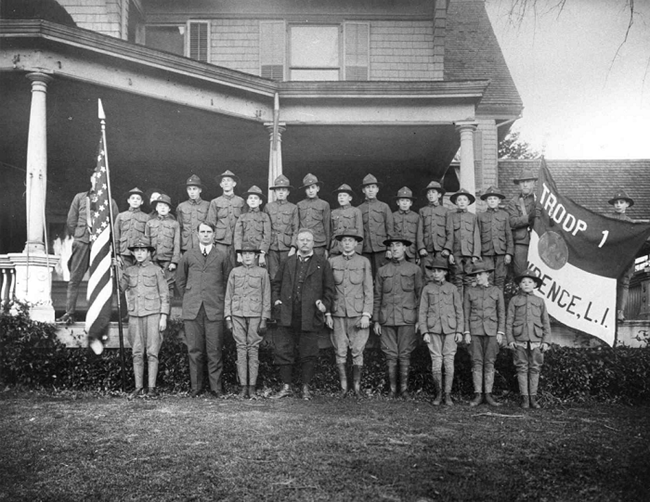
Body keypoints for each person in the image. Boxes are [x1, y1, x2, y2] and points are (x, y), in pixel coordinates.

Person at [271, 228, 335, 400]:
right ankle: (286, 387)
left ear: (313, 243)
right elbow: (276, 284)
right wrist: (277, 301)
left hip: (310, 314)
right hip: (287, 314)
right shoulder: (288, 262)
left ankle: (306, 388)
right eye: (301, 240)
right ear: (297, 242)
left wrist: (324, 304)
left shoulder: (322, 264)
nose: (305, 243)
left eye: (308, 240)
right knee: (284, 350)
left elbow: (329, 290)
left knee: (308, 352)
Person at [175, 222, 230, 398]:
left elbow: (227, 281)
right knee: (194, 350)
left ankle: (216, 388)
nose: (206, 235)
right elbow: (180, 281)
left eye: (209, 232)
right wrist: (191, 296)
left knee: (214, 350)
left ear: (214, 235)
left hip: (214, 308)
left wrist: (217, 299)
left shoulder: (221, 256)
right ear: (197, 234)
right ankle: (196, 387)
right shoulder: (188, 256)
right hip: (193, 309)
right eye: (202, 232)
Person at [57, 171, 118, 324]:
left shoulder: (109, 201)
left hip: (101, 245)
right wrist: (80, 236)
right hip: (83, 242)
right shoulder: (80, 197)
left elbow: (115, 224)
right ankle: (69, 313)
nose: (97, 181)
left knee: (100, 280)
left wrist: (105, 241)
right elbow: (71, 221)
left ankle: (99, 315)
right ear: (90, 180)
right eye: (94, 178)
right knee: (74, 279)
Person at [373, 234, 423, 398]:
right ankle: (392, 390)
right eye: (392, 245)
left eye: (398, 245)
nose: (394, 248)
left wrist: (419, 320)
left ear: (405, 248)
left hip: (407, 318)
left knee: (405, 353)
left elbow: (420, 296)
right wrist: (376, 320)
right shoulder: (382, 270)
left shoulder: (414, 269)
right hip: (386, 318)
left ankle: (404, 390)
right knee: (390, 354)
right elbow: (377, 296)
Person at [120, 237, 169, 399]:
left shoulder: (156, 270)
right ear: (133, 253)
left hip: (153, 315)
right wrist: (116, 270)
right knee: (136, 352)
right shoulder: (129, 271)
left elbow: (164, 295)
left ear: (148, 253)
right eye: (136, 251)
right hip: (134, 316)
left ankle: (152, 388)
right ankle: (138, 387)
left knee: (152, 352)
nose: (139, 254)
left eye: (143, 251)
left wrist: (163, 317)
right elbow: (120, 288)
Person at [328, 230, 373, 397]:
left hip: (357, 314)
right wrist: (328, 314)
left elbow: (369, 289)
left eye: (350, 241)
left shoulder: (363, 262)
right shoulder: (332, 261)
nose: (347, 243)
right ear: (340, 244)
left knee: (357, 350)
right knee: (339, 350)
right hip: (338, 313)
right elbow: (328, 290)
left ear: (356, 244)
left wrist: (366, 314)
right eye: (344, 241)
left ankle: (357, 388)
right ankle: (343, 387)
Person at [224, 247, 271, 399]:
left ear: (256, 256)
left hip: (255, 315)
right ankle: (243, 387)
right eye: (244, 254)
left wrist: (264, 318)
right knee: (241, 349)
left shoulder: (262, 273)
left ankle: (252, 388)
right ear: (241, 256)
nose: (247, 256)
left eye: (251, 254)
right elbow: (228, 296)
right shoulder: (235, 272)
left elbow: (266, 296)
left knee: (253, 349)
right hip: (237, 314)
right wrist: (228, 317)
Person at [418, 256, 463, 406]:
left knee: (449, 361)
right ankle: (438, 394)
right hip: (433, 330)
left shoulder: (452, 288)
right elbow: (422, 311)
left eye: (439, 271)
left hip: (450, 329)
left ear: (445, 272)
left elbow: (459, 311)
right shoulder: (427, 289)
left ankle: (448, 395)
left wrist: (459, 331)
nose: (435, 274)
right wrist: (424, 331)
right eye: (433, 271)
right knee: (436, 362)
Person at [506, 268, 551, 409]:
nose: (526, 284)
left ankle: (533, 398)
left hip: (536, 340)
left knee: (535, 368)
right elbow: (508, 322)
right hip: (520, 339)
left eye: (530, 282)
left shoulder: (540, 301)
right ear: (519, 285)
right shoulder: (514, 300)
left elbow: (546, 323)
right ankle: (524, 399)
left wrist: (546, 341)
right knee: (521, 367)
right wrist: (510, 340)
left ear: (535, 285)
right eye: (523, 282)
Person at [463, 260, 505, 407]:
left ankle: (488, 395)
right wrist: (467, 332)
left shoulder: (496, 291)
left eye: (480, 274)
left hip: (492, 331)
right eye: (475, 275)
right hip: (475, 331)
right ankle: (478, 395)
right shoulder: (470, 291)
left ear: (487, 274)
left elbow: (501, 313)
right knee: (476, 362)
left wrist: (500, 332)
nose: (478, 277)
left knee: (490, 362)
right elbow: (466, 313)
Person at [446, 188, 481, 299]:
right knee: (457, 279)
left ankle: (468, 306)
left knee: (469, 279)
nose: (461, 202)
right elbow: (449, 234)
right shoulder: (451, 216)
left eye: (464, 200)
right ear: (456, 202)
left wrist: (475, 254)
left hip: (469, 253)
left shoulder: (473, 217)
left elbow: (476, 236)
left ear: (468, 202)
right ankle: (458, 307)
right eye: (459, 200)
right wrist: (450, 252)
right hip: (456, 252)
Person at [264, 174, 299, 282]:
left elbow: (296, 229)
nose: (280, 192)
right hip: (272, 247)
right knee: (273, 276)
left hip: (287, 247)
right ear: (274, 192)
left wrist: (293, 248)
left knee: (288, 275)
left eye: (283, 190)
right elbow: (265, 229)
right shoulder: (268, 207)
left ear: (288, 192)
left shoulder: (293, 208)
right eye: (278, 190)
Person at [207, 169, 245, 268]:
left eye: (229, 180)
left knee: (238, 267)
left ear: (234, 184)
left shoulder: (241, 202)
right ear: (221, 185)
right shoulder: (215, 202)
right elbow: (210, 224)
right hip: (221, 242)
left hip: (237, 242)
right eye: (224, 181)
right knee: (219, 267)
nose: (226, 183)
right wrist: (212, 243)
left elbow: (246, 223)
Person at [477, 186, 514, 291]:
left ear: (499, 200)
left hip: (501, 253)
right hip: (486, 253)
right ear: (485, 201)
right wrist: (478, 254)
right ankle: (490, 306)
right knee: (488, 279)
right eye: (489, 199)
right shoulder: (480, 216)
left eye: (494, 198)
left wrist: (509, 253)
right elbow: (478, 236)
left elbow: (508, 235)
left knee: (500, 280)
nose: (492, 201)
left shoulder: (505, 215)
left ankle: (500, 306)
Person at [607, 189, 635, 322]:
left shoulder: (631, 223)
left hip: (626, 257)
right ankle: (607, 310)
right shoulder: (607, 220)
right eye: (616, 202)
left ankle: (620, 312)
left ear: (627, 205)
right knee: (608, 283)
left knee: (624, 283)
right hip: (611, 257)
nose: (618, 205)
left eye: (621, 202)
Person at [145, 193, 180, 297]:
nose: (163, 208)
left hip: (168, 261)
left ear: (169, 209)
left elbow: (177, 243)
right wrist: (149, 260)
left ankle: (167, 313)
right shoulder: (150, 223)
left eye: (165, 206)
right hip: (153, 260)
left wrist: (174, 261)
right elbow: (147, 243)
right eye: (160, 205)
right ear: (156, 208)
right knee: (153, 286)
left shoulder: (174, 224)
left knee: (169, 287)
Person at [359, 174, 393, 278]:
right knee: (366, 276)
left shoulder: (384, 207)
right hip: (365, 249)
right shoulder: (359, 209)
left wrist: (389, 249)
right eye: (368, 187)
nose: (370, 190)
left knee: (382, 276)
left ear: (377, 189)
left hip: (381, 249)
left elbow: (390, 229)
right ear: (363, 190)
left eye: (373, 187)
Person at [506, 168, 538, 277]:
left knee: (539, 274)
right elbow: (512, 222)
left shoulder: (540, 200)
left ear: (533, 183)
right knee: (520, 273)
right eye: (522, 182)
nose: (525, 185)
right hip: (521, 243)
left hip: (538, 242)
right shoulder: (514, 202)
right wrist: (529, 218)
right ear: (519, 185)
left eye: (528, 181)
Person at [417, 181, 451, 273]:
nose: (430, 195)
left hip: (441, 250)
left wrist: (447, 248)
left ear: (439, 195)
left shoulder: (446, 211)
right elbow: (420, 231)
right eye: (428, 193)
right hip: (427, 250)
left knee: (441, 275)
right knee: (427, 275)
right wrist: (421, 248)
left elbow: (450, 232)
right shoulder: (423, 211)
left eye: (433, 192)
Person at [234, 186, 271, 266]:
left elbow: (267, 236)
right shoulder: (242, 217)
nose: (253, 200)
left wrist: (262, 254)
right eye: (250, 198)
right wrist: (239, 253)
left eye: (255, 198)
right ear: (247, 201)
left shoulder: (264, 216)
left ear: (260, 201)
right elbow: (238, 236)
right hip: (245, 252)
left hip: (259, 251)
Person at [296, 174, 330, 258]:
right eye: (308, 188)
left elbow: (327, 227)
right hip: (303, 244)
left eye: (313, 187)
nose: (310, 190)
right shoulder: (299, 205)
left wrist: (327, 248)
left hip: (318, 244)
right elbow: (297, 226)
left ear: (317, 188)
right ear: (305, 190)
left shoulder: (324, 204)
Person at [114, 187, 149, 267]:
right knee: (126, 276)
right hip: (124, 252)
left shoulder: (146, 217)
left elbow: (147, 237)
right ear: (128, 201)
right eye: (133, 198)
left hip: (140, 253)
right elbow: (116, 236)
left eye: (138, 199)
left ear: (142, 202)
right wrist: (117, 254)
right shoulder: (120, 216)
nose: (135, 200)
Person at [176, 174, 210, 254]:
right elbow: (179, 228)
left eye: (194, 189)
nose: (192, 192)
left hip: (202, 244)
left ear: (200, 190)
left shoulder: (207, 205)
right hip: (186, 246)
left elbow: (211, 227)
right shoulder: (181, 207)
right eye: (189, 189)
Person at [329, 184, 363, 256]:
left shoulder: (356, 211)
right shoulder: (333, 212)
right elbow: (331, 232)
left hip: (350, 248)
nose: (341, 198)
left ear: (350, 198)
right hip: (335, 248)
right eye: (339, 196)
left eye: (344, 195)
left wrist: (358, 250)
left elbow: (359, 231)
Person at [392, 187, 419, 263]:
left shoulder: (416, 217)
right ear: (397, 202)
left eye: (407, 201)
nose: (404, 203)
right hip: (397, 251)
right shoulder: (393, 216)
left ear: (411, 203)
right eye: (402, 200)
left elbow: (419, 236)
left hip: (412, 251)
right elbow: (390, 234)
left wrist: (418, 254)